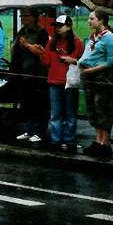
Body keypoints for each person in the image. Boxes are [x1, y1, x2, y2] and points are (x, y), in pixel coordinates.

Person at [40, 14, 84, 153]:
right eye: (56, 26)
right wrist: (41, 53)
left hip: (70, 82)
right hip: (54, 80)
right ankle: (56, 139)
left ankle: (70, 140)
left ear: (69, 26)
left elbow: (82, 61)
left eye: (60, 26)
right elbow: (46, 62)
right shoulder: (52, 42)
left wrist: (73, 60)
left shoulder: (77, 43)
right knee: (56, 113)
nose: (58, 29)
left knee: (70, 113)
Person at [78, 8, 113, 158]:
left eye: (92, 18)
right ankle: (97, 140)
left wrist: (92, 70)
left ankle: (104, 143)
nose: (89, 21)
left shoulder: (109, 37)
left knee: (103, 109)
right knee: (93, 109)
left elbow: (110, 61)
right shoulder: (93, 36)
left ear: (101, 20)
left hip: (102, 77)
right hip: (89, 77)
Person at [11, 9, 50, 144]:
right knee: (26, 103)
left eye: (27, 16)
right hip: (23, 73)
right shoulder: (22, 31)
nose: (23, 18)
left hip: (37, 73)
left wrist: (27, 45)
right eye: (22, 16)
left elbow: (42, 51)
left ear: (34, 17)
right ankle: (29, 129)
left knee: (38, 104)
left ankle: (39, 131)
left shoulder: (41, 32)